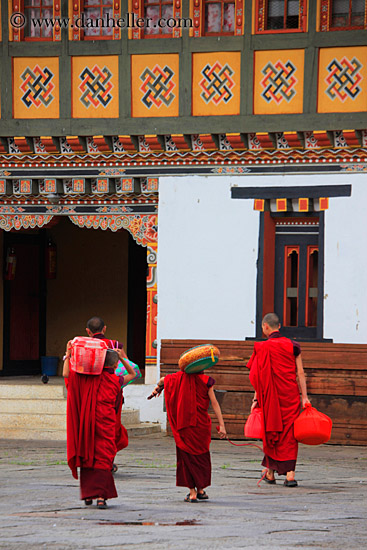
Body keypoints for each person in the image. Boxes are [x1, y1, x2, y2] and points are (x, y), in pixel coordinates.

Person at [63, 346, 136, 508]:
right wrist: (122, 357)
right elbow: (133, 374)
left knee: (88, 457)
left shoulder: (88, 380)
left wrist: (68, 355)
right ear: (116, 366)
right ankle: (101, 497)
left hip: (88, 425)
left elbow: (66, 374)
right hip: (107, 425)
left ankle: (88, 495)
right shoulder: (116, 380)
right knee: (104, 459)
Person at [246, 312, 310, 487]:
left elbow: (258, 377)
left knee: (271, 432)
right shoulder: (293, 346)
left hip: (269, 398)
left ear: (265, 327)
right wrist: (304, 397)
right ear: (279, 326)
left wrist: (255, 400)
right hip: (290, 396)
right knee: (289, 434)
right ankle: (290, 475)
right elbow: (300, 373)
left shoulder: (262, 348)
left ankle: (271, 473)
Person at [149, 369, 227, 503]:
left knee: (186, 458)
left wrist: (159, 386)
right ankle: (201, 489)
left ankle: (192, 492)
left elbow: (162, 380)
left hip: (183, 427)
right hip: (200, 426)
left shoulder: (175, 378)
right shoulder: (206, 381)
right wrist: (222, 425)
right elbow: (214, 403)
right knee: (201, 456)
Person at [86, 316, 130, 471]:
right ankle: (108, 461)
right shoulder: (114, 345)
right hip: (114, 393)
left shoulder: (85, 346)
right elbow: (128, 367)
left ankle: (94, 460)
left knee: (92, 429)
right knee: (112, 430)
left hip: (91, 394)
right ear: (104, 329)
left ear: (88, 331)